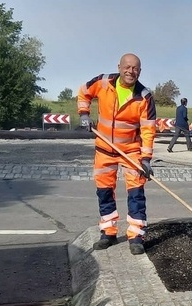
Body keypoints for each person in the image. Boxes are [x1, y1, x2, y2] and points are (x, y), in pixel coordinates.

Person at [77, 53, 157, 255]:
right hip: (104, 149)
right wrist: (84, 114)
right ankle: (108, 232)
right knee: (104, 191)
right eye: (127, 67)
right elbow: (84, 92)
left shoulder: (145, 96)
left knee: (136, 193)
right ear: (119, 67)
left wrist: (146, 159)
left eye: (136, 68)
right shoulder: (103, 82)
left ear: (140, 71)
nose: (131, 71)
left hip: (130, 151)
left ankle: (136, 236)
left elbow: (148, 129)